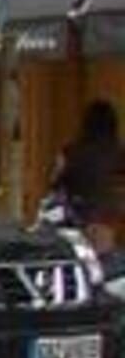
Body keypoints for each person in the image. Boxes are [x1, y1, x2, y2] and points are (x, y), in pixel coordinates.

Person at [51, 99, 122, 251]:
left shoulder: (69, 151)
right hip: (109, 218)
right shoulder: (119, 153)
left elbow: (55, 185)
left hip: (78, 217)